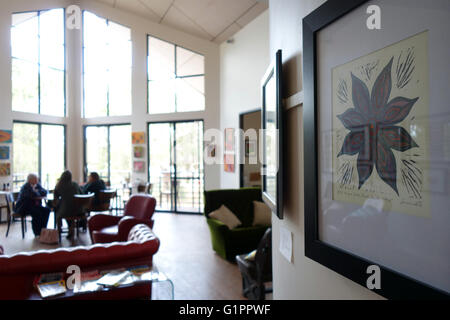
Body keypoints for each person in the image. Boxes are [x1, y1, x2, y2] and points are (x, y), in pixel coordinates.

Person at [53, 171, 82, 239]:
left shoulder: (59, 186)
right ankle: (71, 230)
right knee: (70, 213)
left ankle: (59, 230)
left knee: (59, 213)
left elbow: (55, 200)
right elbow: (81, 194)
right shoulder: (75, 184)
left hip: (65, 211)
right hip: (78, 210)